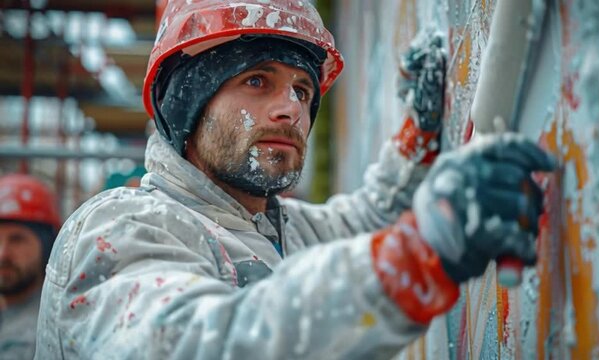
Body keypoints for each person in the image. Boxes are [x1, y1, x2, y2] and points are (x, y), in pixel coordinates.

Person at [36, 1, 556, 359]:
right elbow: (196, 344)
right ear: (187, 104)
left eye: (303, 90)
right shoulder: (121, 229)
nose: (290, 109)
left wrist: (416, 139)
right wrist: (414, 258)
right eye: (257, 80)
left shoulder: (278, 230)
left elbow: (371, 218)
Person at [0, 174, 60, 359]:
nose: (3, 254)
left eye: (17, 239)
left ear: (48, 246)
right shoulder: (9, 310)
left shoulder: (37, 337)